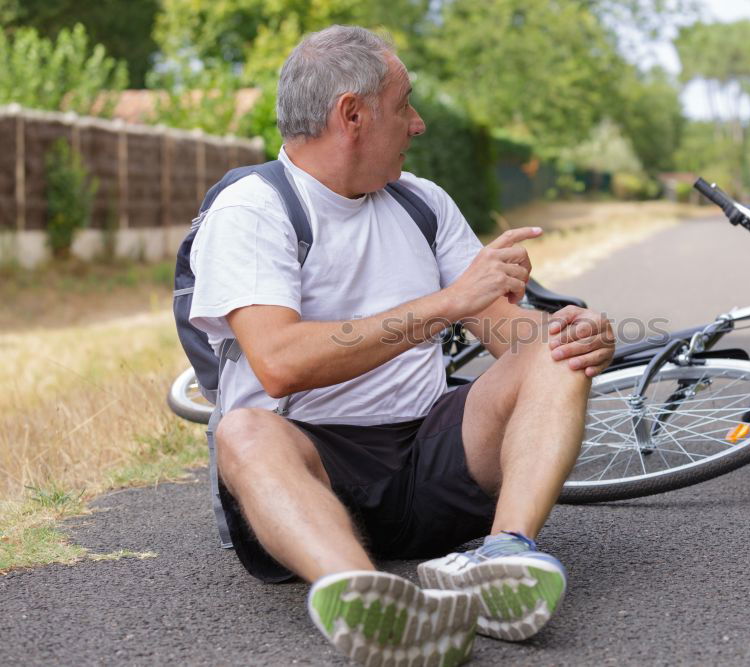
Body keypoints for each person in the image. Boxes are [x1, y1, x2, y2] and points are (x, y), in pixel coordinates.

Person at [188, 25, 615, 666]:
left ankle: (504, 554)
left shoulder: (423, 204)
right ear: (351, 114)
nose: (417, 124)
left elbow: (510, 336)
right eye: (403, 103)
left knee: (553, 354)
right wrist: (444, 304)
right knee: (244, 432)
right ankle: (365, 597)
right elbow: (279, 363)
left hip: (430, 458)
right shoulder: (252, 207)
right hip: (314, 464)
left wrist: (573, 335)